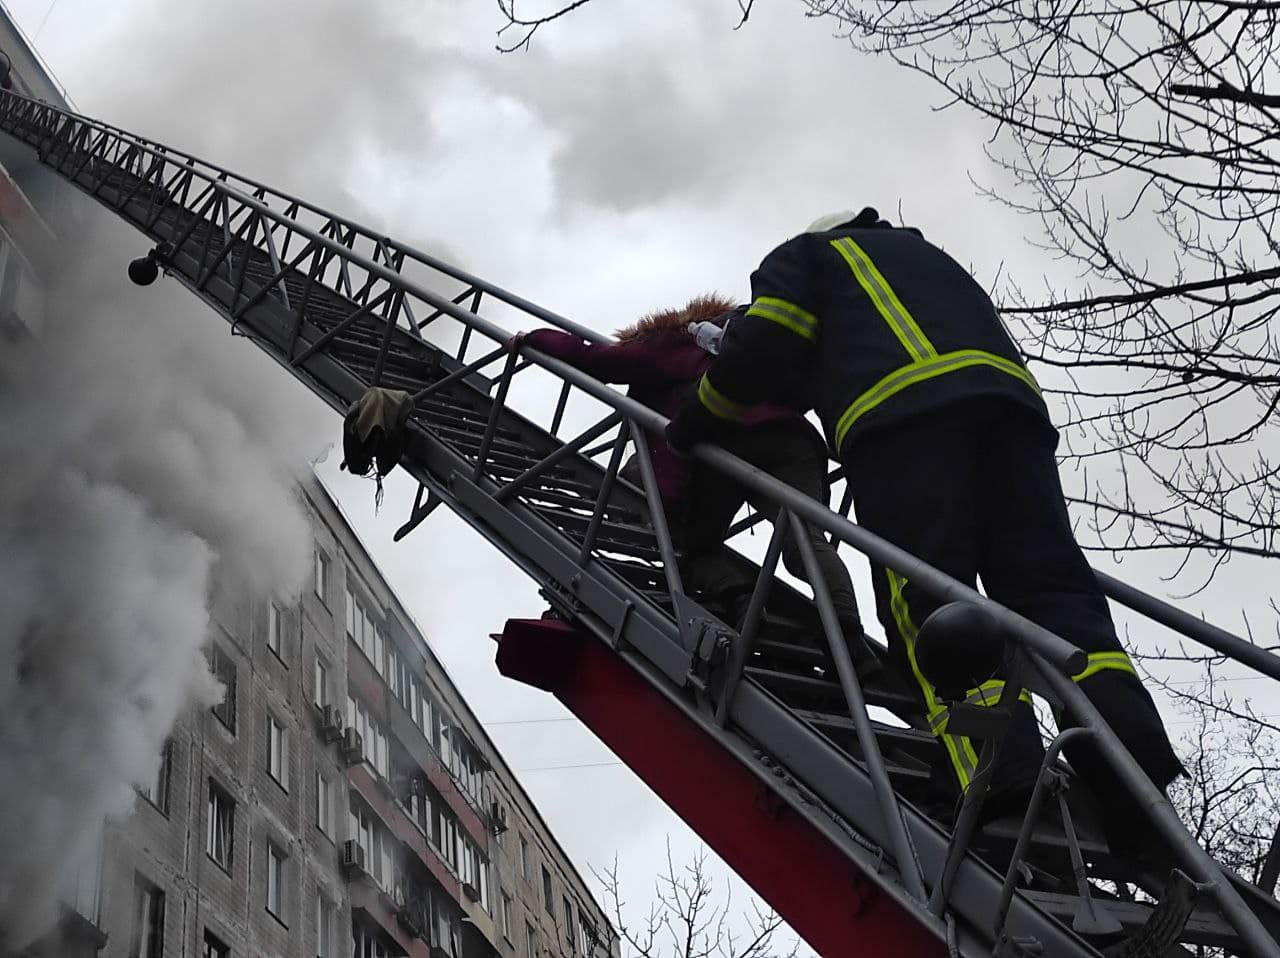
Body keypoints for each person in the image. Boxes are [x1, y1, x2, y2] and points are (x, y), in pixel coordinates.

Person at [665, 208, 1183, 839]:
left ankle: (996, 767)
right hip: (1011, 413)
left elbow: (769, 340)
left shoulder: (804, 255)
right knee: (1055, 594)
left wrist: (698, 418)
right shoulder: (926, 257)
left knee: (926, 594)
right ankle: (1131, 768)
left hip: (903, 419)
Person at [513, 295, 879, 676]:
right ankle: (849, 640)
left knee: (694, 547)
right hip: (793, 442)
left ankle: (739, 600)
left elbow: (595, 359)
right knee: (805, 540)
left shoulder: (667, 343)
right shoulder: (740, 343)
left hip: (724, 441)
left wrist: (533, 338)